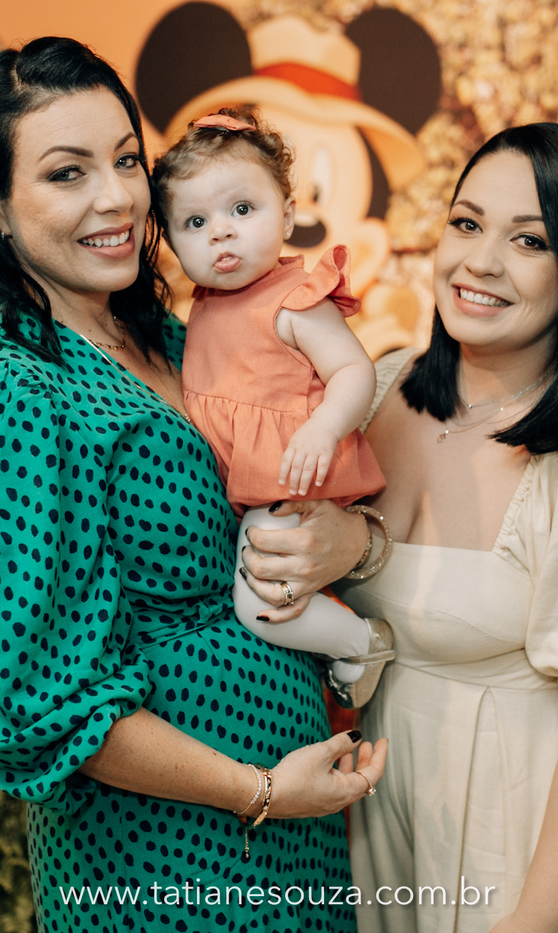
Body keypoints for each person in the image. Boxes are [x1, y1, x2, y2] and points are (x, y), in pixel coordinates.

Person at [0, 37, 387, 932]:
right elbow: (45, 700)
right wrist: (256, 789)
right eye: (67, 172)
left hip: (294, 822)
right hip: (163, 852)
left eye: (127, 160)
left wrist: (348, 542)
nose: (118, 197)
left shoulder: (176, 339)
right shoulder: (11, 392)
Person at [247, 124, 558, 932]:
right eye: (467, 222)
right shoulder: (377, 391)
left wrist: (534, 922)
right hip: (381, 809)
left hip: (520, 827)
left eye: (529, 240)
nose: (480, 261)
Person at [151, 106, 394, 708]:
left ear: (287, 214)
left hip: (288, 475)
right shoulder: (204, 305)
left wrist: (324, 428)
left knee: (259, 606)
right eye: (195, 222)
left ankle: (362, 642)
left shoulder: (295, 300)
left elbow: (353, 370)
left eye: (242, 209)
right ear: (170, 241)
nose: (221, 232)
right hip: (251, 482)